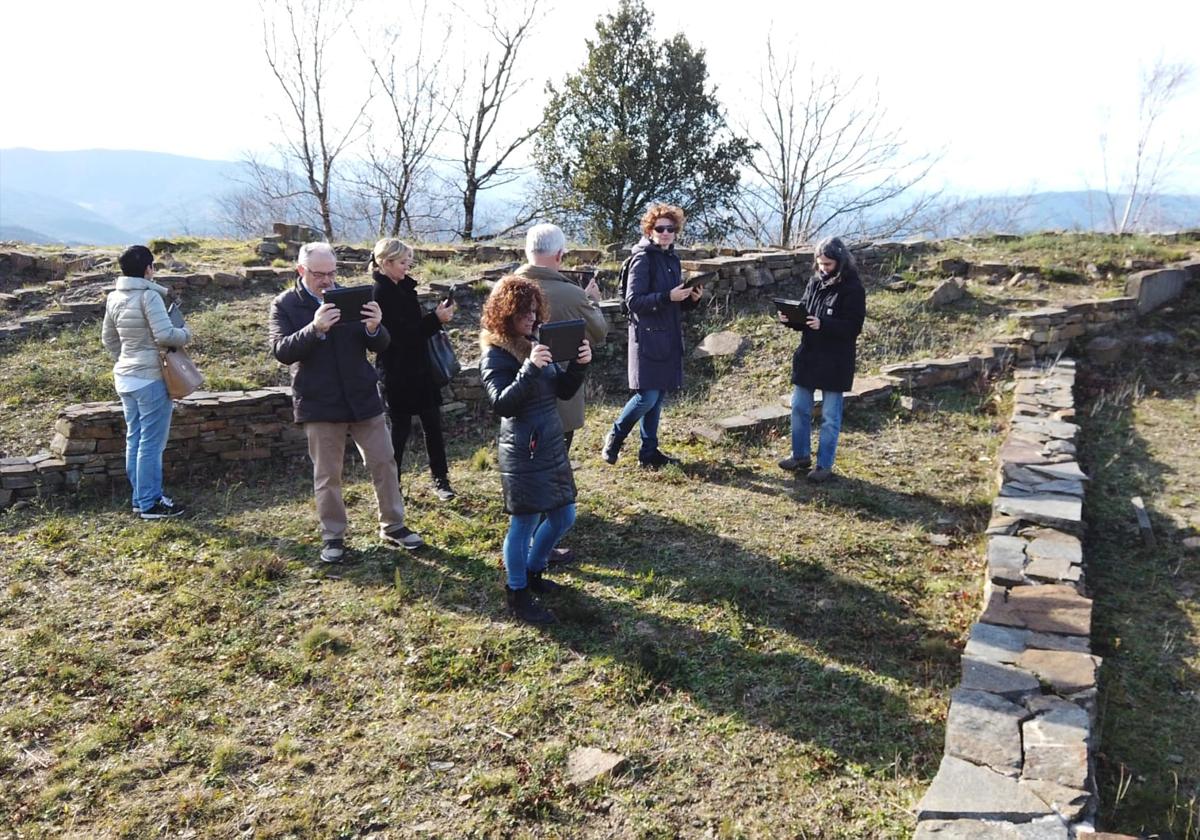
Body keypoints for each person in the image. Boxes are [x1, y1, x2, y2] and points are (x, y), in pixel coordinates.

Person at [269, 241, 423, 563]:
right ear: (301, 271)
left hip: (362, 397)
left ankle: (393, 525)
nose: (327, 281)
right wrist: (314, 328)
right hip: (320, 403)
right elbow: (282, 351)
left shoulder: (352, 297)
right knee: (328, 476)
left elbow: (380, 345)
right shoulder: (285, 305)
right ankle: (334, 537)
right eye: (319, 274)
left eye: (332, 273)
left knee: (384, 461)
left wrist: (374, 327)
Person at [479, 276, 592, 624]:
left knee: (563, 515)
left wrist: (579, 364)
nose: (531, 319)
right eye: (522, 313)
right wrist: (529, 368)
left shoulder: (537, 341)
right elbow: (503, 404)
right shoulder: (496, 353)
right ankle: (518, 594)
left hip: (549, 441)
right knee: (524, 522)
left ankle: (534, 571)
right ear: (504, 315)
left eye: (533, 311)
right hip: (522, 448)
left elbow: (560, 390)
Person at [514, 223, 608, 568]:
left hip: (518, 394)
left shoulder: (505, 289)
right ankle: (540, 544)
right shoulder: (571, 294)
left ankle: (524, 533)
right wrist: (594, 303)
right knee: (552, 469)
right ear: (559, 255)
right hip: (559, 394)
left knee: (526, 467)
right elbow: (598, 333)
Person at [601, 203, 702, 468]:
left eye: (670, 228)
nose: (666, 233)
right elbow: (634, 301)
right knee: (646, 396)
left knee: (657, 398)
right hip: (646, 338)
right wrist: (668, 296)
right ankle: (615, 436)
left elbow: (674, 302)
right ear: (650, 230)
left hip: (667, 336)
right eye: (660, 228)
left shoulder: (671, 258)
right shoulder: (642, 258)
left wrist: (691, 298)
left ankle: (649, 452)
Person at [101, 244, 192, 519]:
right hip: (150, 379)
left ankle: (140, 499)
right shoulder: (149, 297)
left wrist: (125, 359)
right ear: (148, 269)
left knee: (135, 439)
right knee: (152, 444)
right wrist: (185, 333)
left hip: (125, 377)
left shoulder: (113, 297)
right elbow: (165, 335)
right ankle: (150, 503)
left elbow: (109, 339)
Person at [370, 238, 458, 502]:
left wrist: (435, 317)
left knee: (433, 425)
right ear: (386, 263)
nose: (407, 267)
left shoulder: (406, 289)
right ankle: (392, 486)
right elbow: (397, 336)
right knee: (400, 431)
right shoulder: (379, 294)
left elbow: (415, 329)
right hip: (397, 371)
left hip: (420, 368)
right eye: (402, 262)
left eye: (409, 262)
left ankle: (440, 479)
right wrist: (435, 320)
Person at [777, 236, 867, 482]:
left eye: (828, 264)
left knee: (830, 416)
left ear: (840, 262)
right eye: (820, 264)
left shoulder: (853, 288)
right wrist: (791, 319)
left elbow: (853, 327)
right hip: (809, 355)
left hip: (836, 361)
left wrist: (823, 324)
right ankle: (800, 456)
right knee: (799, 408)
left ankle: (824, 465)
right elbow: (806, 313)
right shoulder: (815, 282)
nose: (823, 269)